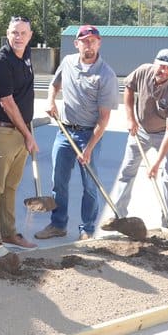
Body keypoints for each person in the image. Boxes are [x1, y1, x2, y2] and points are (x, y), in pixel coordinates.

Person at [34, 25, 119, 242]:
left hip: (89, 135)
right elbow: (54, 85)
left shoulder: (106, 75)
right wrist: (50, 101)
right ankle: (58, 224)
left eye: (93, 40)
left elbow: (104, 119)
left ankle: (87, 228)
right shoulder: (68, 62)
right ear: (77, 43)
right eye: (84, 40)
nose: (88, 44)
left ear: (99, 43)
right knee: (58, 182)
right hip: (64, 132)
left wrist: (88, 149)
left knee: (89, 185)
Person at [106, 48, 168, 233]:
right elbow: (128, 88)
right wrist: (130, 118)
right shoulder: (143, 71)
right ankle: (118, 216)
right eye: (161, 65)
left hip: (164, 134)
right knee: (126, 170)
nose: (163, 70)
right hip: (140, 131)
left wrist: (156, 164)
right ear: (154, 63)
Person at [0, 16, 39, 250]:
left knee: (11, 186)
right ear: (7, 33)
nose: (18, 37)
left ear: (30, 35)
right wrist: (28, 135)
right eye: (14, 32)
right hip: (3, 132)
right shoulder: (0, 62)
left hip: (22, 130)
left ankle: (9, 233)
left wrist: (27, 130)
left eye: (23, 33)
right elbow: (7, 103)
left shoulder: (25, 56)